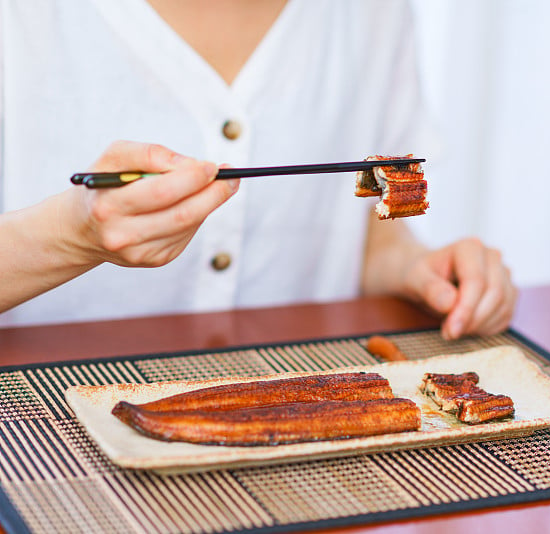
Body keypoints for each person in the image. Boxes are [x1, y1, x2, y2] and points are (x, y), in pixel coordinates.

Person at [0, 0, 517, 340]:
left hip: (309, 427)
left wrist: (415, 271)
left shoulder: (373, 13)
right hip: (50, 446)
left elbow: (363, 241)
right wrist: (70, 237)